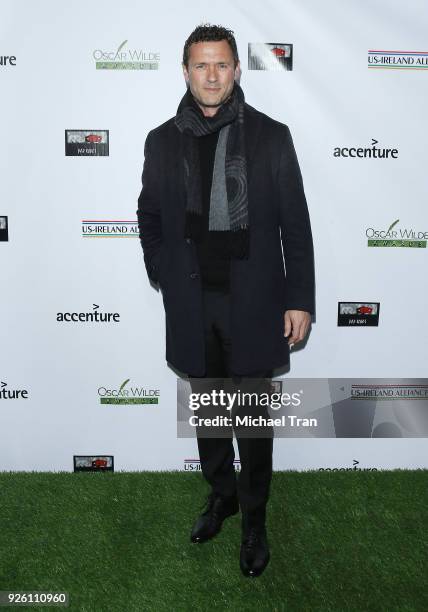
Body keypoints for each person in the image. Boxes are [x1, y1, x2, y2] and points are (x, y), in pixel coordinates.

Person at [137, 23, 315, 578]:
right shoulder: (161, 140)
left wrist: (300, 298)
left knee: (252, 422)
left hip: (255, 302)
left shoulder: (271, 136)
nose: (211, 76)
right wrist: (164, 272)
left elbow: (296, 224)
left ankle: (254, 518)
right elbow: (149, 217)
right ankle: (222, 496)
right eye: (200, 65)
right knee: (209, 415)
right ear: (186, 71)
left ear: (236, 70)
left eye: (221, 65)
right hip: (193, 303)